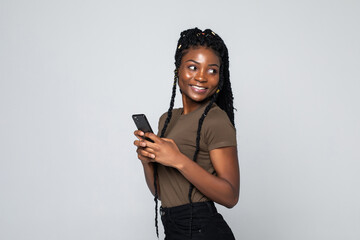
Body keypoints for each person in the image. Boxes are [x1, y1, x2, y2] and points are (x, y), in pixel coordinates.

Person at [133, 27, 239, 240]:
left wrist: (178, 160)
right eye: (193, 67)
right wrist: (147, 162)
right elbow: (163, 193)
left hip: (202, 230)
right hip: (173, 228)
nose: (201, 77)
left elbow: (230, 196)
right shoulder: (167, 119)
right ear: (177, 69)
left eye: (212, 70)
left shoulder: (215, 120)